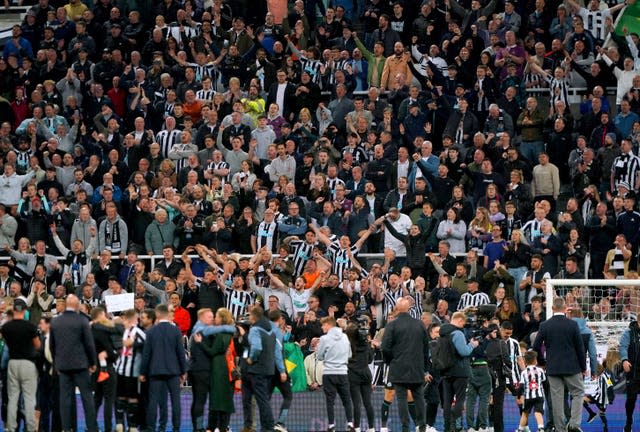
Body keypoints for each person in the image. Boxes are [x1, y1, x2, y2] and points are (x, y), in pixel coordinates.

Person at [533, 297, 586, 432]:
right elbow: (580, 348)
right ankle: (573, 424)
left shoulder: (545, 325)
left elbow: (536, 346)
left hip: (553, 368)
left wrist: (542, 362)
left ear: (552, 309)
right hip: (572, 367)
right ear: (565, 308)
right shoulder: (572, 324)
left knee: (556, 399)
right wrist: (583, 367)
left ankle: (560, 429)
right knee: (578, 392)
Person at [50, 294, 99, 432]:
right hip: (81, 365)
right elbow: (89, 344)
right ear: (77, 306)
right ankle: (92, 428)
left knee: (65, 399)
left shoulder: (56, 322)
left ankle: (67, 428)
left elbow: (52, 346)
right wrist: (92, 362)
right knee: (87, 398)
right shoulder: (82, 321)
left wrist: (56, 364)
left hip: (63, 366)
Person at [381, 297, 429, 432]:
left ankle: (405, 428)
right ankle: (422, 427)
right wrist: (425, 369)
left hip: (398, 368)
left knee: (401, 398)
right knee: (419, 398)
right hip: (417, 368)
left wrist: (390, 361)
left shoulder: (392, 325)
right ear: (409, 308)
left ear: (396, 309)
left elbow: (385, 347)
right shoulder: (419, 324)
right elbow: (426, 349)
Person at [139, 304, 188, 432]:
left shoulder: (151, 331)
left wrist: (143, 372)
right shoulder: (176, 330)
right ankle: (176, 428)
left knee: (153, 401)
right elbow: (180, 353)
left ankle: (151, 428)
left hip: (155, 371)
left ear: (158, 314)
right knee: (175, 401)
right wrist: (183, 371)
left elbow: (146, 354)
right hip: (173, 371)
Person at [1, 298, 41, 432]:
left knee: (13, 398)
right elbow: (37, 346)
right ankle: (30, 427)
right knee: (29, 397)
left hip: (13, 363)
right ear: (24, 311)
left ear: (13, 310)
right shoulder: (30, 327)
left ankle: (11, 427)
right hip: (27, 363)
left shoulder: (6, 327)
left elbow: (7, 343)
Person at [439, 311, 479, 432]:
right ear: (460, 320)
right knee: (460, 400)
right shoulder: (457, 333)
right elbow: (464, 352)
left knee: (447, 401)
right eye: (463, 323)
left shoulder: (442, 332)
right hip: (460, 372)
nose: (463, 325)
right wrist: (472, 345)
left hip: (446, 371)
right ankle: (456, 427)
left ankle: (447, 427)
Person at [316, 316, 355, 432]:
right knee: (347, 400)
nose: (322, 327)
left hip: (329, 374)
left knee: (330, 401)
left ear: (328, 324)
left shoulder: (324, 339)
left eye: (323, 325)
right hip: (343, 373)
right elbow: (349, 355)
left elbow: (319, 356)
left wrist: (328, 357)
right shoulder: (345, 337)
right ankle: (350, 424)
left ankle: (331, 426)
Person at [517, 350, 547, 432]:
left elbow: (521, 386)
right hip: (539, 396)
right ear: (535, 361)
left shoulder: (524, 372)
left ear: (525, 361)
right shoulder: (540, 371)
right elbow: (545, 383)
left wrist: (519, 396)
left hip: (528, 397)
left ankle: (520, 429)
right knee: (538, 412)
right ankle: (541, 428)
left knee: (525, 413)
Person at [619, 319, 640, 432]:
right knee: (631, 399)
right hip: (634, 371)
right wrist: (624, 360)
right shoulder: (629, 332)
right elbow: (623, 347)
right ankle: (628, 421)